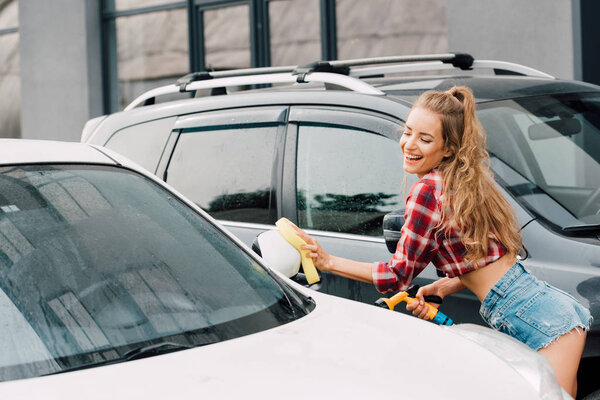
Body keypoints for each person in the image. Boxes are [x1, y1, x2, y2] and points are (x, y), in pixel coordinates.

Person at [296, 86, 591, 397]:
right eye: (408, 132)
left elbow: (396, 277)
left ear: (448, 148)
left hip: (537, 317)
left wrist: (327, 262)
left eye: (425, 139)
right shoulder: (466, 183)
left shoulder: (428, 190)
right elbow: (489, 260)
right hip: (545, 308)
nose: (409, 144)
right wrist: (443, 286)